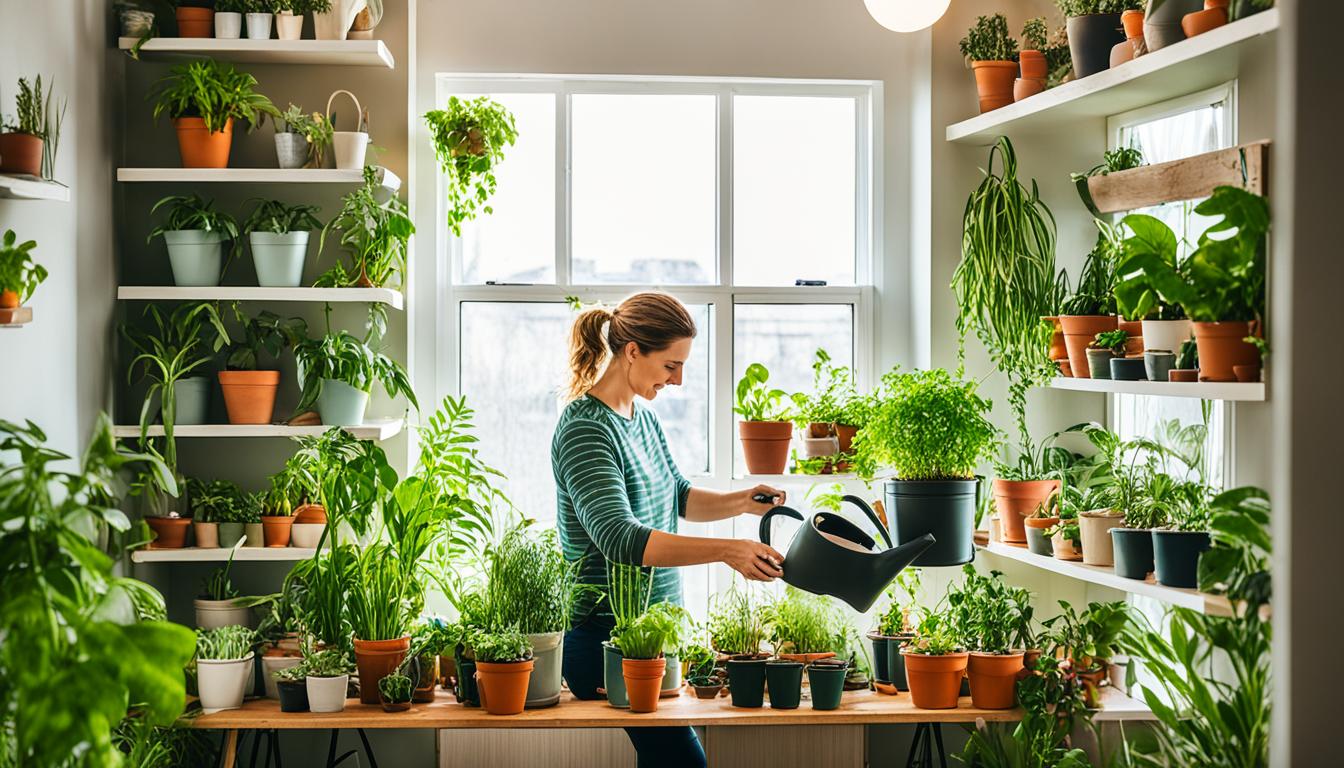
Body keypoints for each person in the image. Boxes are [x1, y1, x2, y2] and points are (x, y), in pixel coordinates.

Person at [552, 292, 787, 768]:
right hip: (608, 638)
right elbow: (619, 537)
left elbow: (678, 497)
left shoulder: (643, 419)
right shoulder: (584, 429)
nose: (677, 380)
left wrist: (743, 501)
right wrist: (727, 551)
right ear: (633, 351)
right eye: (670, 365)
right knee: (685, 764)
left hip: (649, 635)